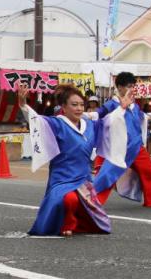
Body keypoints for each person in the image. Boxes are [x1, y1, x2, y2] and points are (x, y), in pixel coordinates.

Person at [20, 84, 115, 237]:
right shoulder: (56, 123)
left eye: (81, 105)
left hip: (84, 179)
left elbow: (108, 121)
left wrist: (122, 107)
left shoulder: (89, 124)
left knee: (99, 221)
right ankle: (67, 223)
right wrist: (23, 104)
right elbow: (36, 121)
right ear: (63, 106)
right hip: (62, 178)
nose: (79, 108)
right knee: (69, 199)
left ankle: (78, 222)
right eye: (74, 105)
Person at [91, 72, 151, 208]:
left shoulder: (134, 106)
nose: (132, 89)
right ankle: (93, 201)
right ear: (120, 87)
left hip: (136, 146)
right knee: (108, 175)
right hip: (117, 148)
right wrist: (83, 115)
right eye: (129, 86)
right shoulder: (111, 104)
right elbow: (98, 115)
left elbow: (143, 117)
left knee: (149, 172)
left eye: (134, 86)